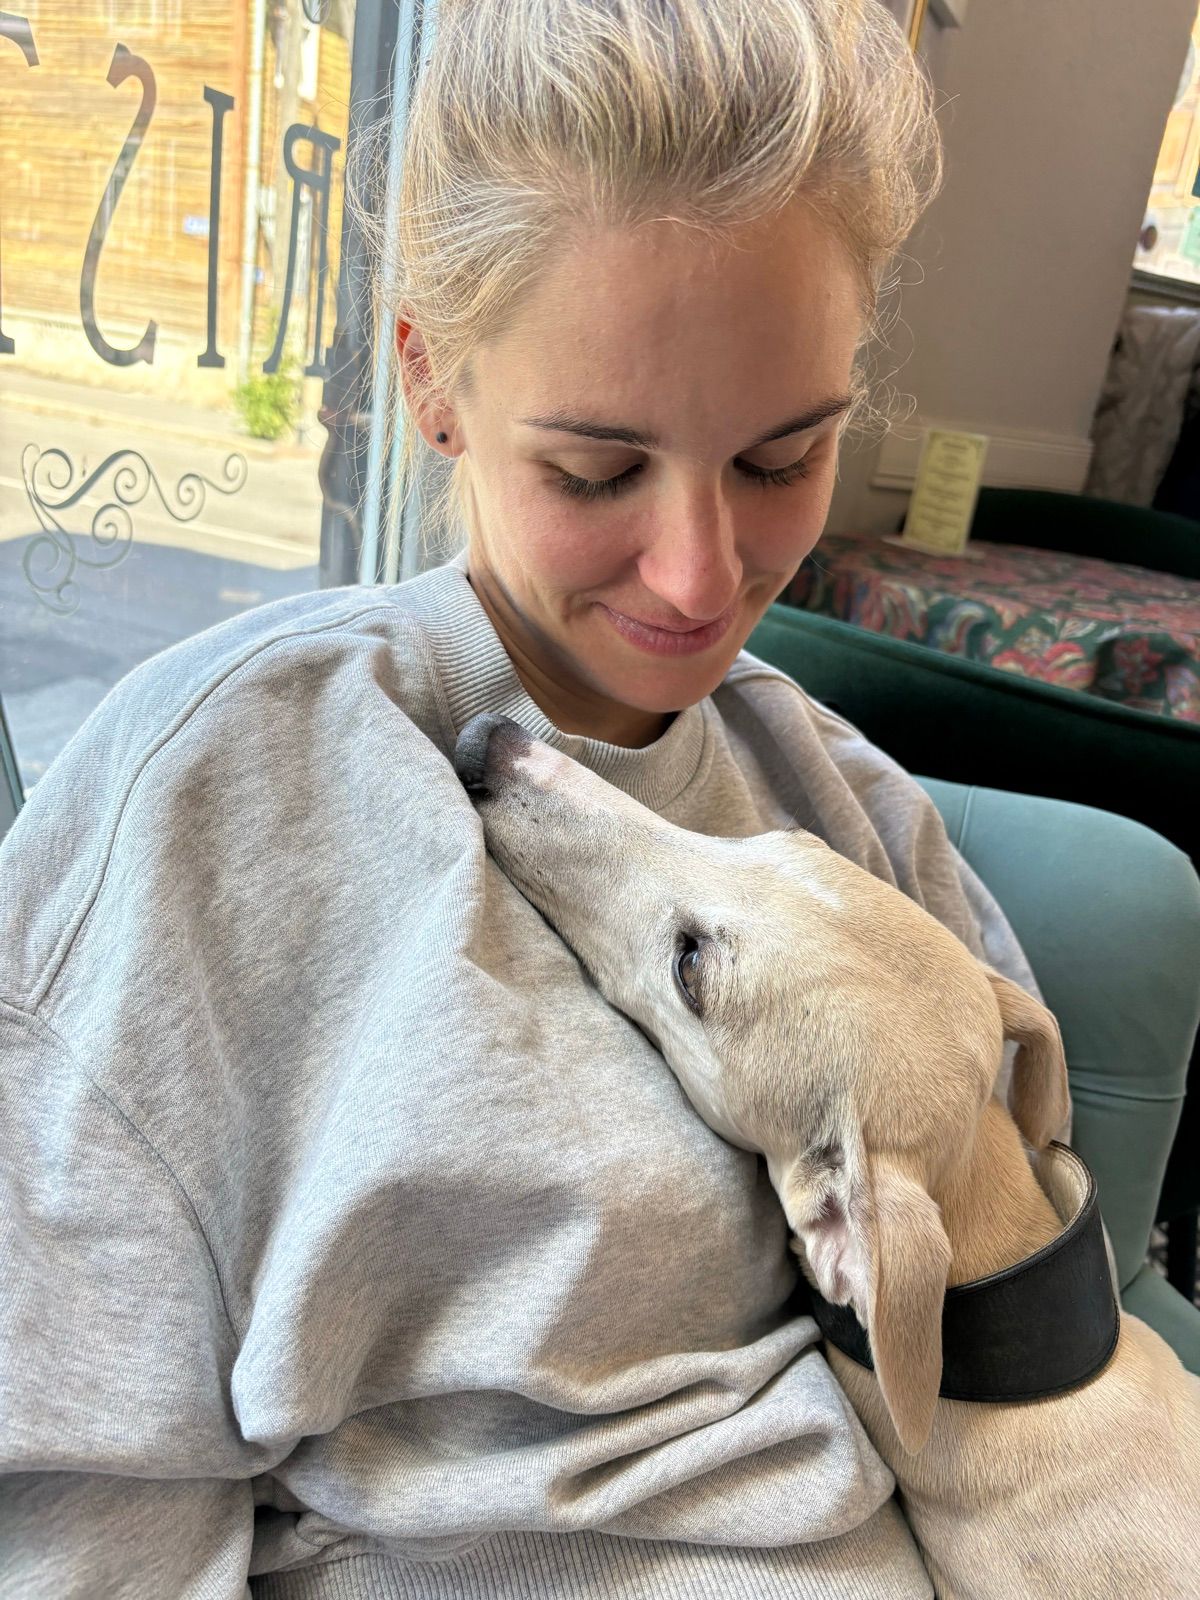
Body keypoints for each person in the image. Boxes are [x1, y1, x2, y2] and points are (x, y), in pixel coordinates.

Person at [0, 2, 1060, 1595]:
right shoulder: (206, 809)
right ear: (430, 378)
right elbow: (77, 1513)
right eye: (594, 471)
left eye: (782, 460)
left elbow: (1029, 1377)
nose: (699, 577)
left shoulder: (852, 815)